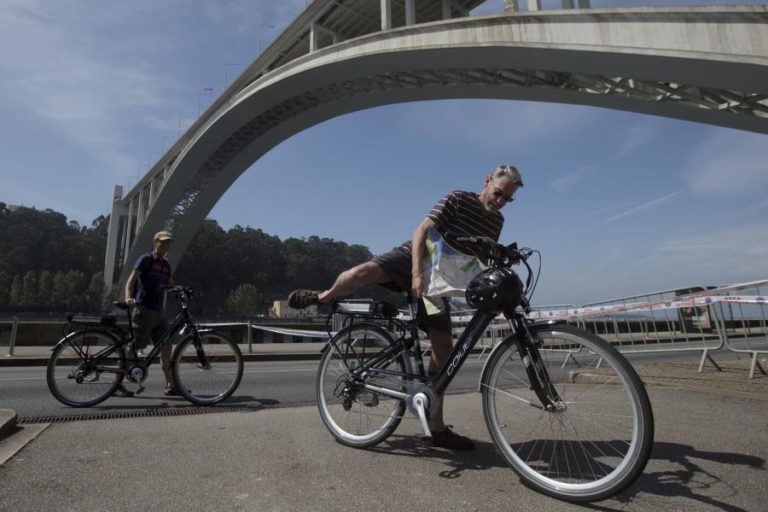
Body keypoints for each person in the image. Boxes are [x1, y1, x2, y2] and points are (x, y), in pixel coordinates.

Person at [288, 164, 524, 450]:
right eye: (497, 193)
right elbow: (421, 230)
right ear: (487, 181)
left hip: (438, 284)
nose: (499, 202)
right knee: (361, 273)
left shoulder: (495, 222)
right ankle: (323, 296)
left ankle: (436, 426)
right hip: (412, 259)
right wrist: (416, 273)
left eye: (506, 199)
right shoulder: (458, 199)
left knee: (444, 350)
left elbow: (479, 261)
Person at [116, 230, 178, 397]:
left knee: (166, 345)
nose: (166, 245)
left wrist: (181, 290)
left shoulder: (166, 265)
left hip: (159, 312)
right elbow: (132, 280)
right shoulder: (146, 259)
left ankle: (170, 385)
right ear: (155, 242)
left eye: (168, 242)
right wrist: (128, 297)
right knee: (134, 348)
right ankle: (118, 383)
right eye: (163, 241)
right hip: (143, 310)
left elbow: (170, 283)